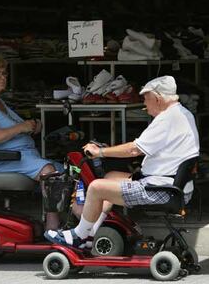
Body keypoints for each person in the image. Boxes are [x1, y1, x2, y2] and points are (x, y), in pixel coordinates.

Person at [44, 75, 200, 249]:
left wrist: (100, 152)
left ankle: (80, 237)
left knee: (96, 187)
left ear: (157, 98)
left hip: (161, 190)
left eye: (146, 99)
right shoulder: (183, 113)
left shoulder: (167, 119)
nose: (144, 105)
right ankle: (91, 232)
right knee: (111, 177)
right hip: (174, 185)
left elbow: (134, 149)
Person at [0, 53, 64, 230]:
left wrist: (31, 126)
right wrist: (21, 128)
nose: (3, 78)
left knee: (64, 169)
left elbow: (11, 128)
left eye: (4, 73)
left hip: (15, 158)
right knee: (49, 172)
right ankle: (53, 227)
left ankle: (74, 222)